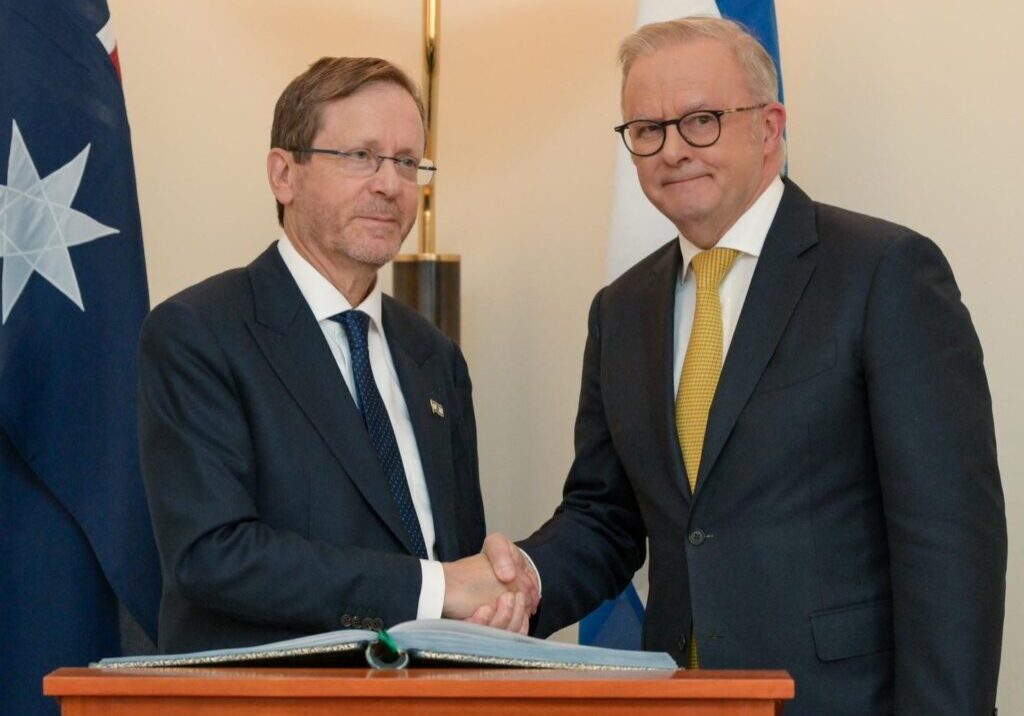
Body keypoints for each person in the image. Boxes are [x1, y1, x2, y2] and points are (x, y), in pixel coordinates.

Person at [481, 18, 1005, 716]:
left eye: (700, 120)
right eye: (646, 129)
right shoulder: (621, 310)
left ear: (769, 126)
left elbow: (948, 538)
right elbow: (607, 517)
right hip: (680, 699)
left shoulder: (884, 274)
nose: (672, 150)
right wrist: (528, 580)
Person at [138, 57, 535, 654]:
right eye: (360, 156)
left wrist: (493, 603)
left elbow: (456, 566)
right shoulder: (198, 332)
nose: (389, 184)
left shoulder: (434, 356)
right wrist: (437, 588)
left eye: (407, 162)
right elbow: (213, 555)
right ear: (283, 174)